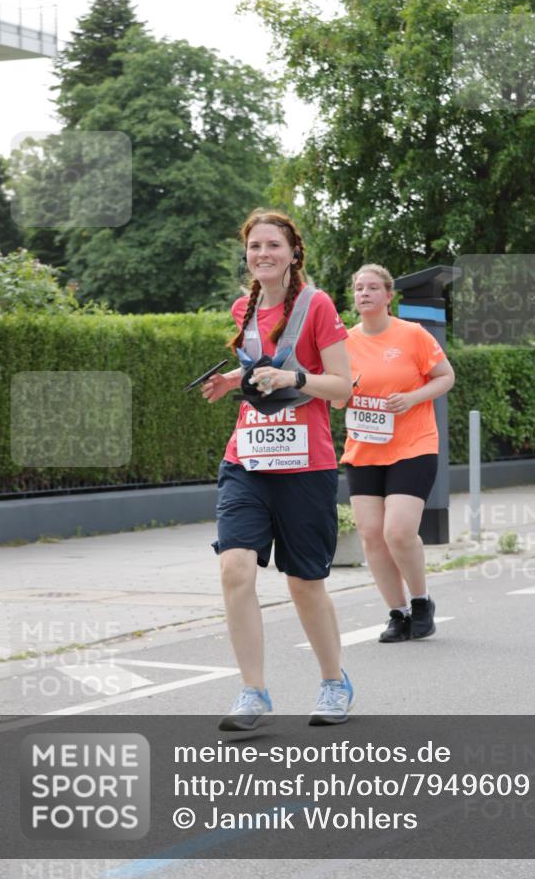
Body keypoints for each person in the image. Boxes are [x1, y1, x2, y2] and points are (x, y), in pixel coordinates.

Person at [201, 209, 354, 729]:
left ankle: (334, 682)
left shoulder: (317, 306)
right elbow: (257, 377)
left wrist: (294, 375)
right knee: (235, 568)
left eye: (272, 245)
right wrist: (233, 384)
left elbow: (342, 389)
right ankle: (253, 692)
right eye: (254, 247)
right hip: (247, 457)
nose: (262, 254)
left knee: (304, 581)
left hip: (306, 463)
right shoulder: (242, 308)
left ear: (293, 253)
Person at [335, 264, 455, 643]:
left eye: (373, 288)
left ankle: (421, 602)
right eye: (358, 288)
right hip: (364, 448)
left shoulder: (412, 335)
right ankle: (397, 613)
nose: (364, 293)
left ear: (389, 296)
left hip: (413, 445)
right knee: (372, 536)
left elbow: (445, 376)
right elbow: (338, 395)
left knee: (398, 532)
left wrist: (412, 398)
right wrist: (340, 397)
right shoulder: (343, 343)